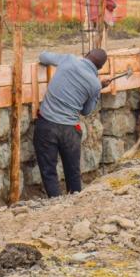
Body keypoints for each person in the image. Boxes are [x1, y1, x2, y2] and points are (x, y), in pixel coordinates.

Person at [34, 48, 110, 197]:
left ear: (87, 54)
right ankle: (75, 202)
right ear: (99, 68)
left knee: (48, 169)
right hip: (70, 131)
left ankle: (55, 202)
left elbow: (42, 56)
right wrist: (98, 90)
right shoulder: (94, 84)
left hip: (47, 124)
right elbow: (86, 111)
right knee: (72, 170)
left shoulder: (69, 59)